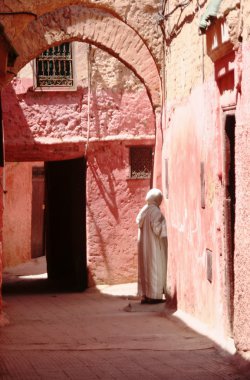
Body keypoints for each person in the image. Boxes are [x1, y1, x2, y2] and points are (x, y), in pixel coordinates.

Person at [136, 188, 168, 304]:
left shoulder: (144, 210)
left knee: (146, 270)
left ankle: (146, 295)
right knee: (155, 269)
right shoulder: (155, 211)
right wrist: (166, 224)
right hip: (154, 247)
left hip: (145, 247)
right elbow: (158, 229)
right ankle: (155, 296)